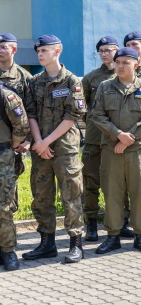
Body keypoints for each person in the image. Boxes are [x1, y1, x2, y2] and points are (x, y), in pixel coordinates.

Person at [23, 35, 86, 263]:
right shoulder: (34, 82)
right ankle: (47, 244)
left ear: (57, 50)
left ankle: (76, 244)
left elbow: (73, 115)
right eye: (38, 51)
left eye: (44, 50)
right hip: (41, 150)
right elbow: (30, 113)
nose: (40, 54)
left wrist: (46, 141)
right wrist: (39, 142)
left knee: (71, 195)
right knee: (42, 196)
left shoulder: (71, 81)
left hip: (64, 148)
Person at [92, 47, 141, 254]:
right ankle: (113, 236)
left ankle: (140, 235)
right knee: (112, 193)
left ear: (135, 64)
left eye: (125, 62)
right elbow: (97, 115)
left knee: (139, 192)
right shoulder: (105, 87)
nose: (120, 66)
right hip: (112, 150)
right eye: (118, 62)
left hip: (137, 151)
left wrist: (128, 139)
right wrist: (117, 135)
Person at [81, 36, 119, 242]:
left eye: (109, 49)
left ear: (117, 50)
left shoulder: (127, 76)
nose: (105, 53)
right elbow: (82, 109)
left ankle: (120, 222)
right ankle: (92, 223)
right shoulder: (91, 78)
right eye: (101, 50)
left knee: (117, 183)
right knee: (91, 182)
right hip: (95, 138)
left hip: (119, 140)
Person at [0, 85, 30, 271]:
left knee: (4, 204)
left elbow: (22, 124)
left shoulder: (6, 96)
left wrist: (12, 145)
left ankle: (8, 250)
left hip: (2, 154)